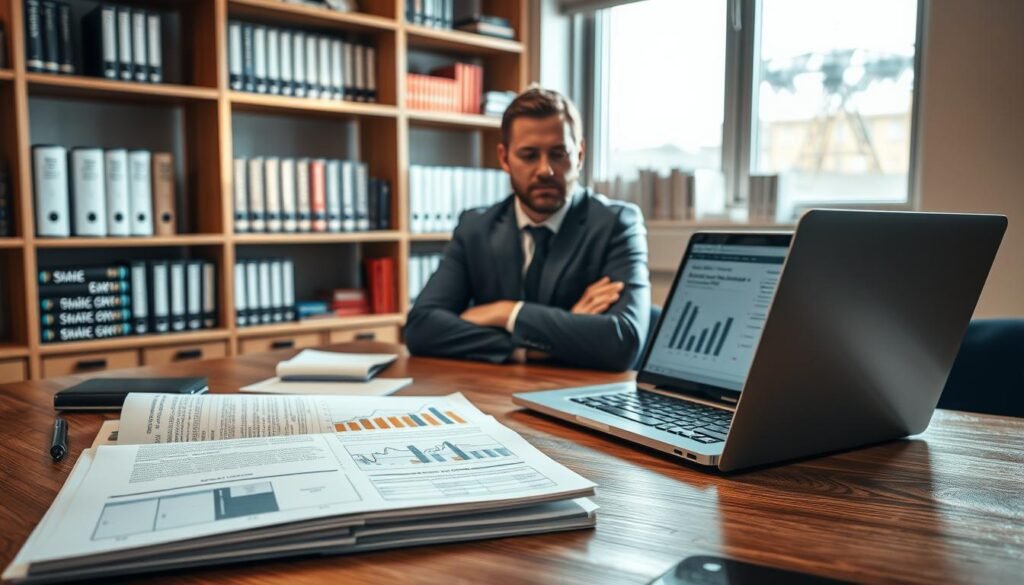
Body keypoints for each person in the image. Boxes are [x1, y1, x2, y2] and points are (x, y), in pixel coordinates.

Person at [405, 87, 650, 371]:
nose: (545, 170)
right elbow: (421, 329)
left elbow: (623, 342)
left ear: (580, 155)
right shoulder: (476, 227)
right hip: (494, 396)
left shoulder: (617, 225)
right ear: (504, 158)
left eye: (559, 154)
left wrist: (506, 312)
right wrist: (531, 348)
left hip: (577, 398)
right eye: (529, 155)